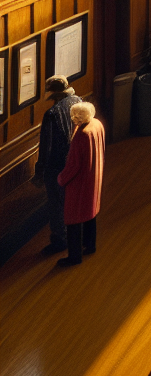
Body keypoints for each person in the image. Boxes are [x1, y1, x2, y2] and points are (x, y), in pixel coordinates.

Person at [32, 76, 82, 254]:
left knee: (56, 204)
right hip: (76, 160)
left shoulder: (52, 114)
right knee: (73, 199)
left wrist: (40, 171)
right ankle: (76, 234)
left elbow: (46, 146)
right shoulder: (78, 101)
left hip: (57, 165)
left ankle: (60, 239)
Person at [56, 101, 105, 266]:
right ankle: (90, 245)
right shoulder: (97, 124)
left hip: (79, 183)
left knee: (73, 219)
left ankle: (74, 256)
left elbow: (74, 165)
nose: (72, 118)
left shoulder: (81, 135)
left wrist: (61, 179)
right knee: (90, 212)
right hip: (93, 177)